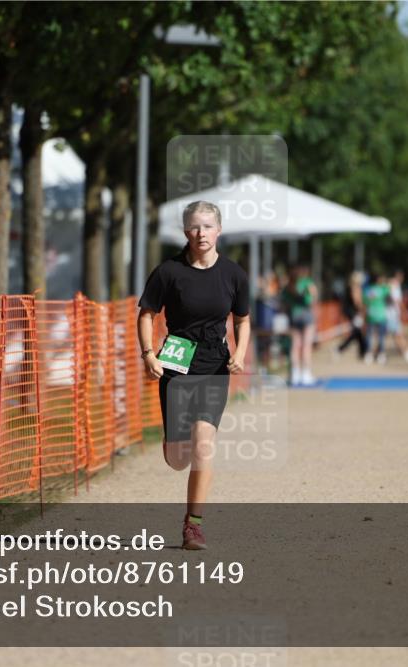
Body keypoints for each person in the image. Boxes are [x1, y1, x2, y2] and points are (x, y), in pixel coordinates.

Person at [136, 201, 250, 550]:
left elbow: (242, 320)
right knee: (178, 459)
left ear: (219, 230)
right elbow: (146, 314)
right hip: (177, 360)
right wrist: (148, 354)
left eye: (208, 226)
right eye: (195, 227)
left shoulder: (233, 274)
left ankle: (193, 525)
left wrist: (240, 353)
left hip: (215, 362)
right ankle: (173, 442)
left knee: (204, 443)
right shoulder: (168, 272)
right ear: (186, 231)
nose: (201, 233)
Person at [281, 263, 319, 386]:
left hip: (293, 316)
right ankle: (306, 374)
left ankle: (295, 374)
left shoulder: (287, 286)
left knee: (295, 346)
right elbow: (313, 298)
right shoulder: (307, 282)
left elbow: (283, 303)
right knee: (306, 346)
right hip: (306, 315)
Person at [337, 271, 367, 359]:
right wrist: (362, 310)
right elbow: (357, 301)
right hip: (354, 313)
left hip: (353, 312)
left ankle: (363, 352)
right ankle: (341, 348)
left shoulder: (352, 287)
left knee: (358, 333)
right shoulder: (355, 287)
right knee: (357, 332)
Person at [363, 272, 390, 364]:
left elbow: (365, 303)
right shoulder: (382, 289)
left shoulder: (367, 290)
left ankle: (369, 354)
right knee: (381, 337)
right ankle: (381, 355)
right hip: (381, 315)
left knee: (369, 336)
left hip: (370, 315)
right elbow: (388, 288)